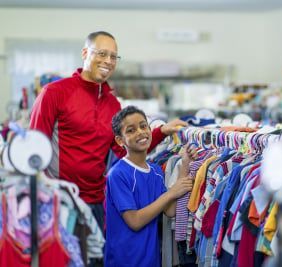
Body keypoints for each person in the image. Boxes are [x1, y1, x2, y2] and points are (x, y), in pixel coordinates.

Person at [29, 31, 187, 232]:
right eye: (102, 53)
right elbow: (33, 148)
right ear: (85, 53)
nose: (108, 61)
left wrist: (162, 131)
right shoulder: (54, 92)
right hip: (59, 200)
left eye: (113, 56)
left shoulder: (112, 104)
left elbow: (125, 149)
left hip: (96, 202)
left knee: (94, 262)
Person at [105, 105, 195, 266]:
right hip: (125, 259)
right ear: (120, 140)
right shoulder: (118, 173)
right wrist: (171, 193)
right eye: (131, 130)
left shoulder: (155, 170)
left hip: (151, 259)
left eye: (143, 126)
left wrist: (184, 167)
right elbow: (135, 221)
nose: (140, 132)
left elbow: (170, 211)